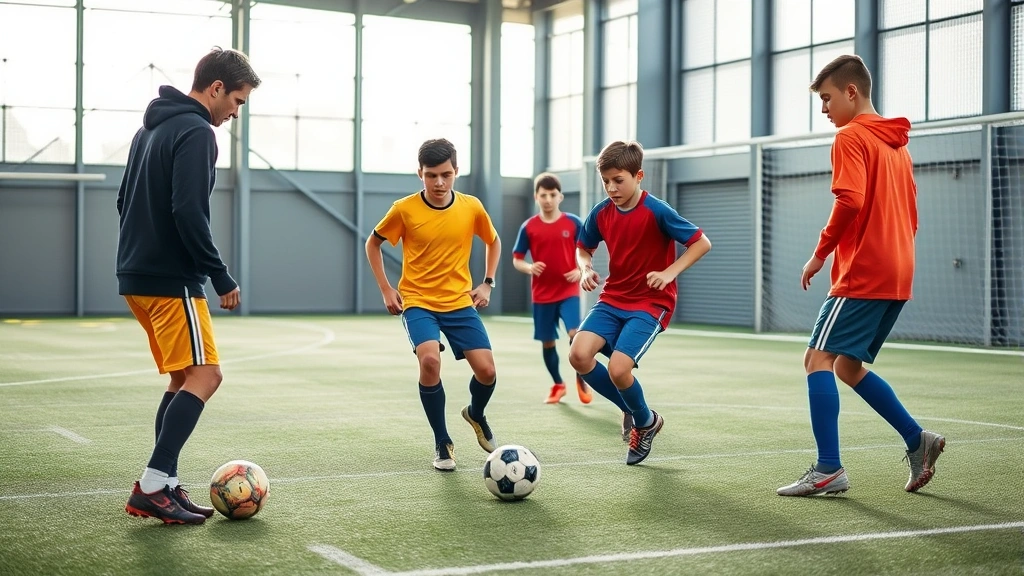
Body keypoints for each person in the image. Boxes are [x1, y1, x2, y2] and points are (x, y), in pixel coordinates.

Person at [777, 55, 944, 497]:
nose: (824, 109)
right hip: (898, 270)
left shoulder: (850, 136)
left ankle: (828, 468)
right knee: (848, 366)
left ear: (851, 92)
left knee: (816, 360)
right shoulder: (897, 145)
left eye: (827, 98)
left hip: (864, 270)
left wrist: (820, 254)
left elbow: (849, 201)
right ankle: (918, 440)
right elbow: (912, 214)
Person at [117, 47, 260, 524]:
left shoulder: (147, 131)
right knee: (207, 377)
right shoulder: (198, 132)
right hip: (170, 279)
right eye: (237, 101)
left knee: (182, 379)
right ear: (216, 88)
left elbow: (123, 201)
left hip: (136, 276)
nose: (236, 112)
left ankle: (166, 484)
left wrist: (139, 256)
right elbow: (189, 211)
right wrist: (219, 273)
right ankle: (152, 484)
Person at [568, 140, 712, 465]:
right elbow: (583, 247)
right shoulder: (602, 212)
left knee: (619, 370)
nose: (611, 188)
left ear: (638, 176)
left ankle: (644, 422)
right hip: (612, 299)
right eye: (606, 181)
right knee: (578, 354)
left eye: (618, 180)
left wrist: (669, 272)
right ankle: (636, 412)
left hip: (650, 303)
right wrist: (585, 268)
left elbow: (701, 243)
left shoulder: (657, 210)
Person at [365, 138, 502, 472]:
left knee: (487, 372)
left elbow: (493, 240)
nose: (439, 182)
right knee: (429, 361)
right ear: (420, 174)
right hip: (418, 302)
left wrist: (487, 281)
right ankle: (442, 442)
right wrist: (386, 288)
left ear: (456, 171)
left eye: (445, 174)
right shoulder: (404, 209)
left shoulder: (471, 207)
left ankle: (476, 414)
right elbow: (373, 243)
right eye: (431, 175)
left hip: (459, 302)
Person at [512, 172, 593, 405]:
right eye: (543, 195)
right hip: (542, 295)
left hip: (568, 291)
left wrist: (580, 270)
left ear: (560, 197)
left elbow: (586, 250)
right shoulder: (529, 227)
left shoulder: (574, 223)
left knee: (575, 334)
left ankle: (581, 376)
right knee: (548, 342)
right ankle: (558, 384)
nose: (548, 199)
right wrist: (529, 267)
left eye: (552, 194)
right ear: (536, 197)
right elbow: (517, 259)